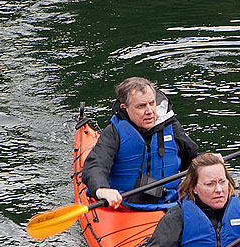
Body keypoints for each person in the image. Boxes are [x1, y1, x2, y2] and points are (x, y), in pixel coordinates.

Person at [81, 77, 199, 209]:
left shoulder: (169, 124)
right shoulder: (114, 132)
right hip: (125, 205)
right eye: (141, 106)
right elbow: (95, 165)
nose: (149, 111)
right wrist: (101, 189)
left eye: (152, 103)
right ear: (125, 108)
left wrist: (209, 161)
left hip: (171, 201)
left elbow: (193, 158)